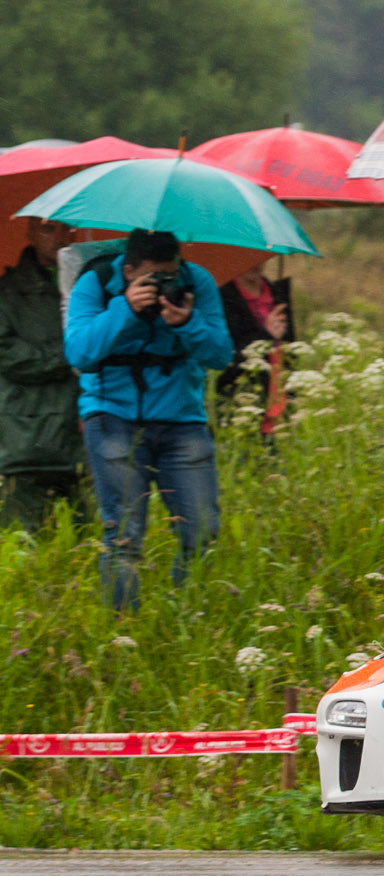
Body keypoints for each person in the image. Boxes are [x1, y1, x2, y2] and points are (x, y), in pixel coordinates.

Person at [63, 229, 234, 610]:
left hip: (182, 418)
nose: (162, 284)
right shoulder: (95, 283)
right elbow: (79, 352)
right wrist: (124, 308)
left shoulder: (196, 281)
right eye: (152, 277)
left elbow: (220, 355)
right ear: (128, 270)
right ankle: (124, 626)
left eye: (169, 275)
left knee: (201, 530)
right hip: (112, 416)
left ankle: (188, 619)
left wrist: (187, 322)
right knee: (123, 535)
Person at [0, 218, 84, 528]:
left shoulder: (89, 286)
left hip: (84, 434)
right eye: (49, 229)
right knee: (22, 537)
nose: (60, 237)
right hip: (27, 436)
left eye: (67, 229)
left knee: (88, 540)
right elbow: (8, 354)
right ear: (31, 233)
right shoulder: (7, 293)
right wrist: (71, 353)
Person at [215, 265, 293, 406]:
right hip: (243, 395)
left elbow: (291, 347)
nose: (255, 264)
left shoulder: (278, 292)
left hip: (282, 388)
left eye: (259, 257)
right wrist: (266, 334)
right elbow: (226, 358)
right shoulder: (222, 298)